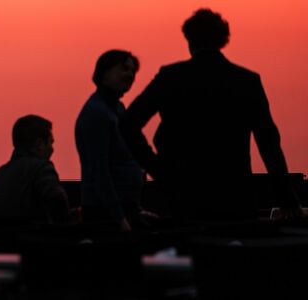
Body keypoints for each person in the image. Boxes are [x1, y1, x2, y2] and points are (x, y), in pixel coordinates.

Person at [120, 9, 302, 220]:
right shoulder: (246, 81)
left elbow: (128, 124)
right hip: (234, 195)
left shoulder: (170, 77)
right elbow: (268, 142)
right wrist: (287, 197)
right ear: (224, 40)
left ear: (189, 40)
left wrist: (158, 170)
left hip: (182, 196)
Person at [76, 50, 146, 231]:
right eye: (124, 69)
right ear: (104, 72)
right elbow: (99, 169)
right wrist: (119, 217)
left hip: (125, 209)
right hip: (106, 214)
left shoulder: (117, 109)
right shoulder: (97, 113)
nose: (130, 75)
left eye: (133, 71)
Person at [0, 115, 70, 223]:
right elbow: (58, 205)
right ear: (39, 144)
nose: (52, 149)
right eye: (50, 142)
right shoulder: (41, 168)